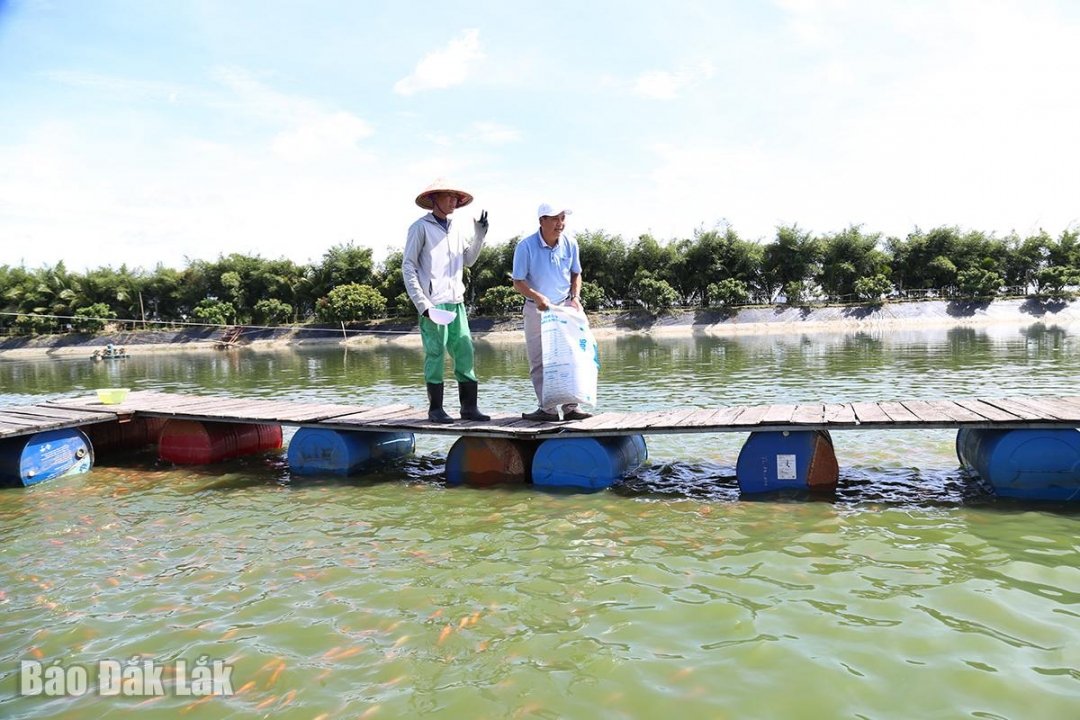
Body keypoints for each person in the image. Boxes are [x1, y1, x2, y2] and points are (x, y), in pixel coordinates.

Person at [402, 179, 490, 424]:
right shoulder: (420, 228)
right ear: (433, 199)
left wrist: (479, 237)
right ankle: (436, 409)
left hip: (456, 301)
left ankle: (469, 408)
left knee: (465, 350)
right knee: (435, 353)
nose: (453, 201)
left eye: (455, 197)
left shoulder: (456, 229)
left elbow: (468, 260)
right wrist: (423, 304)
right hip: (432, 303)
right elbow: (408, 267)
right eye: (448, 196)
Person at [511, 203, 594, 422]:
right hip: (536, 308)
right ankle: (547, 409)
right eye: (555, 219)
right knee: (539, 360)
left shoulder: (571, 243)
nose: (560, 224)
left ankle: (571, 408)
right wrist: (538, 297)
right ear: (542, 221)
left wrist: (575, 297)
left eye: (563, 218)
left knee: (571, 357)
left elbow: (576, 274)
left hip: (565, 307)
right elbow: (517, 282)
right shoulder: (525, 246)